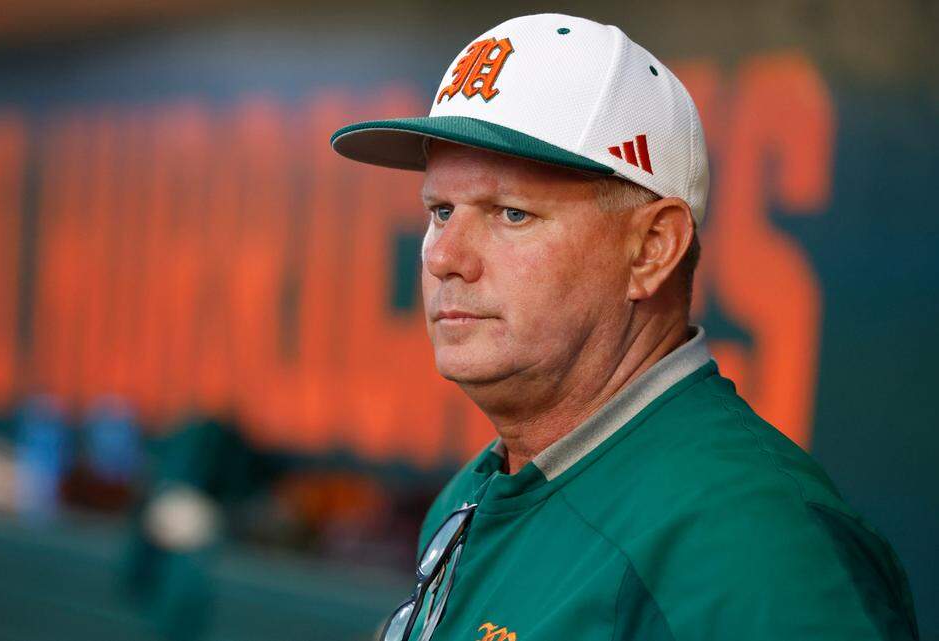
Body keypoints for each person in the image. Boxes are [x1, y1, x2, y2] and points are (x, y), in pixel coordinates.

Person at [330, 13, 918, 641]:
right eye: (441, 210)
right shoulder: (469, 497)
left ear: (652, 250)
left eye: (512, 213)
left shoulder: (751, 545)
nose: (444, 256)